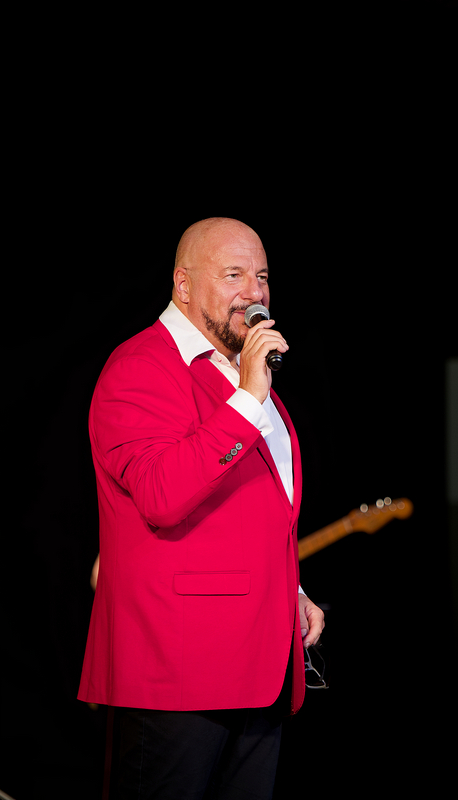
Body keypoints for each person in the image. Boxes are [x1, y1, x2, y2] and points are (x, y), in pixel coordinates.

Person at [78, 217, 324, 799]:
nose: (254, 292)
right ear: (183, 284)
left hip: (257, 663)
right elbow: (163, 496)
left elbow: (250, 508)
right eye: (233, 275)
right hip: (179, 672)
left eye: (262, 276)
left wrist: (288, 588)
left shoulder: (239, 375)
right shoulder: (139, 367)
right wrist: (249, 397)